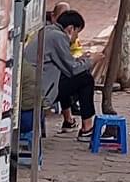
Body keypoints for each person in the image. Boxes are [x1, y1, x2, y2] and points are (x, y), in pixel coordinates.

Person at [35, 8, 98, 137]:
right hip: (41, 89)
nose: (76, 37)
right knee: (85, 79)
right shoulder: (58, 37)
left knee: (67, 77)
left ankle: (68, 121)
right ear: (70, 29)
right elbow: (72, 69)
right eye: (77, 33)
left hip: (40, 81)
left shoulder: (48, 31)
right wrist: (91, 61)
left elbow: (65, 63)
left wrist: (81, 60)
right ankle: (87, 128)